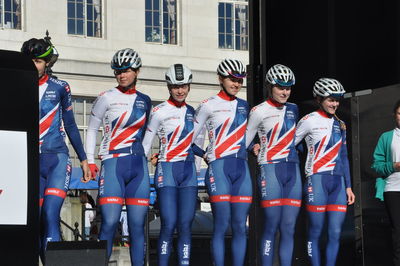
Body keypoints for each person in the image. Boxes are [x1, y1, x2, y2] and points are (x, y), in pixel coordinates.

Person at [21, 37, 91, 259]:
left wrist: (83, 159)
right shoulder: (18, 84)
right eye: (30, 61)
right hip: (29, 162)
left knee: (50, 215)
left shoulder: (60, 87)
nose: (34, 66)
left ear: (47, 62)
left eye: (39, 61)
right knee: (36, 221)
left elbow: (70, 123)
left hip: (57, 159)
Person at [85, 48, 151, 266]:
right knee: (110, 222)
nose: (122, 75)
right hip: (113, 163)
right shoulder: (106, 97)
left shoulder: (145, 100)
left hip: (138, 167)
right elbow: (92, 129)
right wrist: (91, 160)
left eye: (126, 71)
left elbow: (147, 134)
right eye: (117, 72)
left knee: (137, 226)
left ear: (137, 71)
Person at [192, 59, 251, 266]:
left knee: (241, 226)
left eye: (239, 80)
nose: (236, 84)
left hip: (241, 170)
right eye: (232, 79)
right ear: (220, 79)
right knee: (221, 224)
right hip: (218, 169)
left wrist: (254, 147)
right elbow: (187, 139)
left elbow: (248, 138)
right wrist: (204, 154)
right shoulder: (208, 105)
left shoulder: (245, 106)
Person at [295, 78, 355, 266]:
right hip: (316, 180)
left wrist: (349, 186)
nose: (335, 104)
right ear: (319, 99)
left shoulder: (340, 124)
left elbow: (344, 156)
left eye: (337, 100)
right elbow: (290, 146)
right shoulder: (308, 120)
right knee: (315, 231)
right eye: (331, 99)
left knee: (335, 232)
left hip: (337, 184)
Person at [142, 64, 198, 266]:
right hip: (166, 170)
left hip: (188, 171)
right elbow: (145, 145)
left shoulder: (192, 111)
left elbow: (194, 144)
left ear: (189, 86)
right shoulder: (158, 111)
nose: (180, 90)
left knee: (185, 225)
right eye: (175, 86)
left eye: (183, 86)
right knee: (168, 224)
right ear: (168, 87)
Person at [245, 64, 301, 266]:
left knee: (289, 227)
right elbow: (244, 141)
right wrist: (253, 147)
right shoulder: (258, 111)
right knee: (271, 226)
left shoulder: (293, 108)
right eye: (280, 87)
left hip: (292, 170)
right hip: (270, 169)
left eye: (288, 88)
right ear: (270, 86)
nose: (285, 92)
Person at [371, 100, 400, 266]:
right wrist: (394, 165)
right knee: (398, 232)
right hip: (394, 188)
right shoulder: (387, 137)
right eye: (399, 113)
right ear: (394, 115)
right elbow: (377, 165)